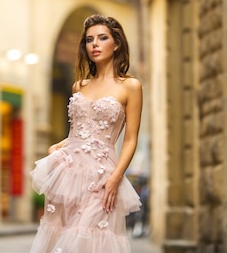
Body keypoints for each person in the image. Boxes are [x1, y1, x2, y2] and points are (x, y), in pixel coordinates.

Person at [29, 14, 143, 252]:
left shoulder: (130, 86)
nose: (95, 44)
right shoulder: (79, 86)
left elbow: (131, 138)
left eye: (102, 38)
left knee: (89, 236)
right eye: (90, 40)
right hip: (68, 171)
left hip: (102, 175)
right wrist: (57, 147)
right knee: (60, 234)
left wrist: (116, 177)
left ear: (116, 43)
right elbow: (79, 132)